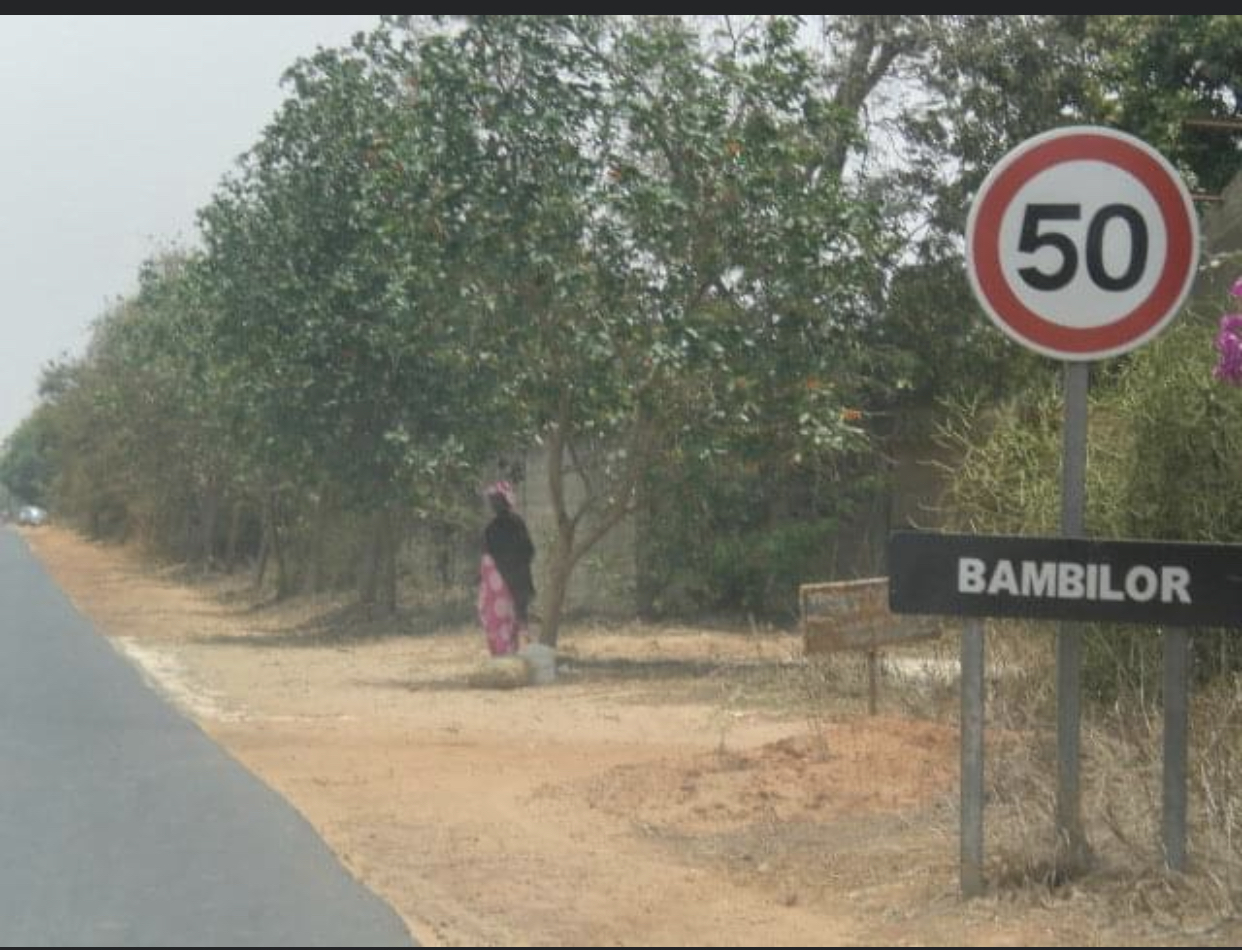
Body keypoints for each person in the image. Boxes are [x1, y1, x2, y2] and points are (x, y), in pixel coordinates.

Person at [477, 480, 536, 656]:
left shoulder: (492, 529)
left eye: (496, 500)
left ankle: (508, 656)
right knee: (519, 620)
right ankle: (519, 657)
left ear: (505, 501)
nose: (493, 504)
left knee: (503, 621)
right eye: (492, 500)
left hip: (502, 586)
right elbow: (529, 551)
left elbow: (486, 559)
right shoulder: (517, 524)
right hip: (517, 583)